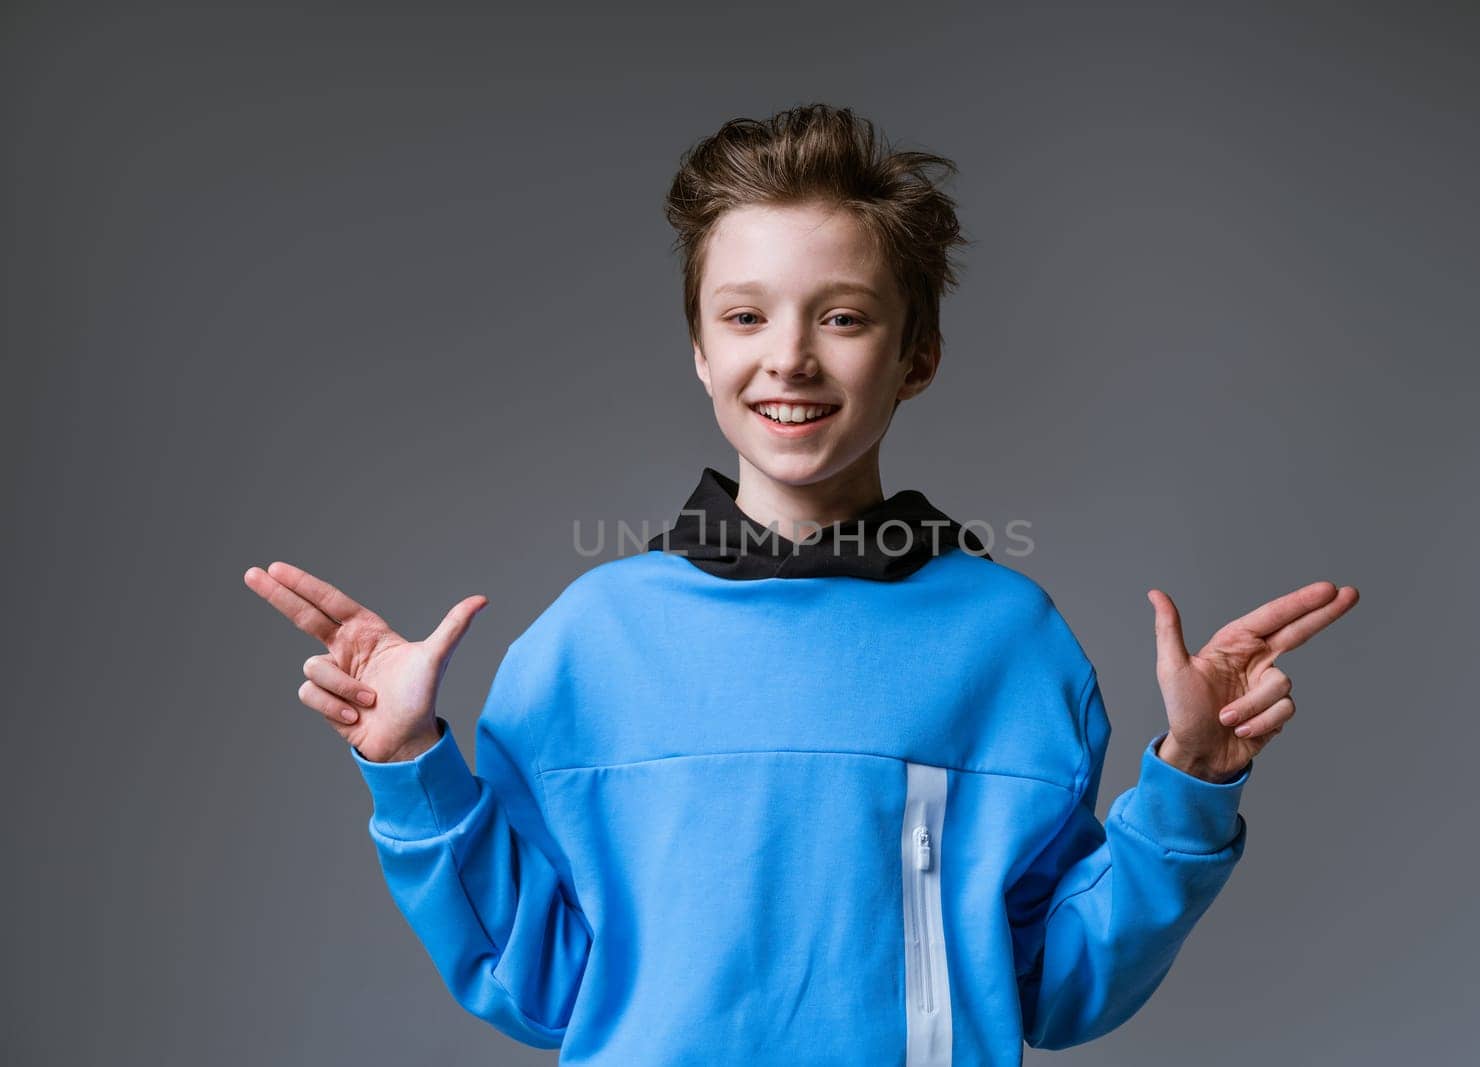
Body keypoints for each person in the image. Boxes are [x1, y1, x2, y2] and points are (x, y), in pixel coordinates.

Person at [242, 103, 1359, 1065]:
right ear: (698, 348)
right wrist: (410, 768)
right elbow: (542, 985)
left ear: (915, 354)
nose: (789, 357)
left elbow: (1052, 988)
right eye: (743, 315)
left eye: (842, 315)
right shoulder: (591, 641)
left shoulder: (1007, 640)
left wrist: (1191, 785)